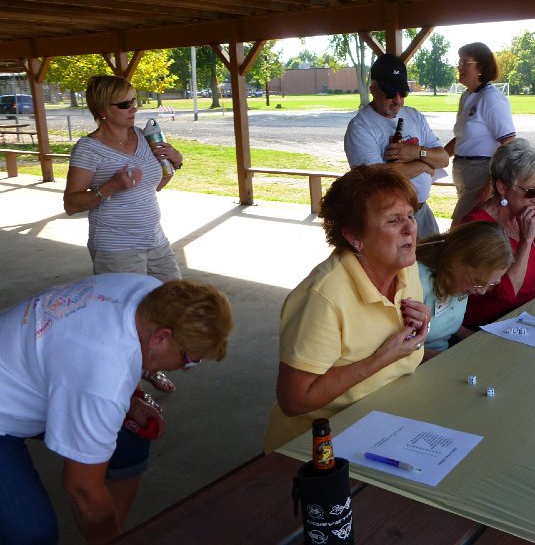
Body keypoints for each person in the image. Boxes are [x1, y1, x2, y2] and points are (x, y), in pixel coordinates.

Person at [0, 274, 233, 543]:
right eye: (189, 358)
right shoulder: (104, 376)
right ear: (161, 338)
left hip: (28, 373)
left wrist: (131, 399)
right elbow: (81, 487)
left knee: (130, 442)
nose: (186, 368)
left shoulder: (150, 294)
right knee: (31, 533)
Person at [264, 165, 431, 452]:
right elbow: (294, 400)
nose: (410, 228)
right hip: (320, 445)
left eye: (410, 216)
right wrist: (381, 358)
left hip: (388, 422)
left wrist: (424, 319)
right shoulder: (323, 298)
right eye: (393, 220)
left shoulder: (406, 268)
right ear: (355, 237)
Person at [63, 75, 185, 394]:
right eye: (125, 104)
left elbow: (154, 185)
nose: (134, 108)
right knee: (126, 318)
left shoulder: (144, 137)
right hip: (116, 247)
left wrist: (176, 162)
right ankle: (128, 389)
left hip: (154, 238)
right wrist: (110, 187)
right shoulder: (88, 149)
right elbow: (71, 203)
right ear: (103, 109)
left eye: (135, 100)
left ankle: (147, 365)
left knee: (172, 301)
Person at [457, 139, 535, 328]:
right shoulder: (477, 226)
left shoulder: (525, 214)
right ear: (502, 187)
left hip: (526, 317)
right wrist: (526, 241)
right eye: (531, 192)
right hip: (488, 325)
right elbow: (506, 294)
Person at [344, 54, 449, 238]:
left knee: (437, 256)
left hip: (422, 211)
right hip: (389, 220)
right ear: (374, 89)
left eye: (403, 93)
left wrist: (417, 152)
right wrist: (423, 165)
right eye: (390, 93)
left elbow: (443, 159)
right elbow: (375, 177)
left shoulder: (414, 116)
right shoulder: (360, 127)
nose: (398, 100)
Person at [415, 221, 514, 353]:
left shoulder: (459, 280)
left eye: (491, 284)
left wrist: (467, 335)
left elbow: (443, 320)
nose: (482, 291)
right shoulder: (418, 280)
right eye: (478, 281)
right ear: (455, 261)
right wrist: (450, 359)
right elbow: (402, 349)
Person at [445, 42, 516, 223]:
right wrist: (435, 158)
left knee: (460, 227)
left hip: (482, 174)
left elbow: (509, 143)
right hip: (464, 174)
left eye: (465, 62)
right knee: (471, 229)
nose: (459, 67)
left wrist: (491, 183)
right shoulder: (467, 96)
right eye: (459, 62)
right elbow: (462, 138)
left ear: (481, 68)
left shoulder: (491, 98)